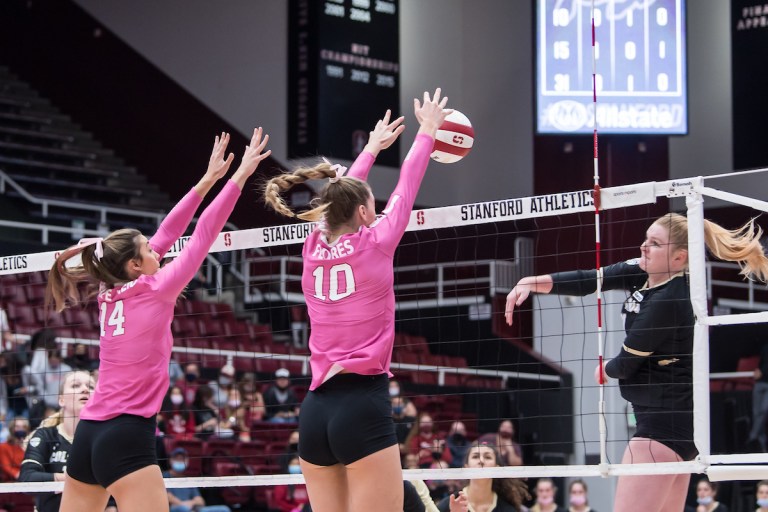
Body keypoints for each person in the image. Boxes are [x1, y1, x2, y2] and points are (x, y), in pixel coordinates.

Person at [46, 129, 271, 511]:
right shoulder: (158, 287)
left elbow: (169, 231)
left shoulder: (109, 289)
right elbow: (203, 233)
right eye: (148, 249)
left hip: (89, 435)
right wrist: (239, 177)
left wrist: (207, 180)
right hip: (126, 433)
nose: (157, 247)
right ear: (135, 265)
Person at [262, 89, 450, 512]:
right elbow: (407, 184)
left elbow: (338, 201)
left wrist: (369, 149)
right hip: (362, 405)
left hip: (315, 411)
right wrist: (428, 132)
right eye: (371, 203)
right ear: (365, 213)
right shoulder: (378, 241)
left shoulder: (311, 247)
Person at [505, 213, 768, 512]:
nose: (644, 247)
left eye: (655, 244)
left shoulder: (671, 299)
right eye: (646, 239)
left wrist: (603, 369)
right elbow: (590, 280)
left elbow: (625, 364)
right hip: (678, 430)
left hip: (659, 431)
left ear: (679, 258)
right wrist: (531, 282)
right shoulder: (642, 271)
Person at [18, 371, 110, 512]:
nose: (85, 389)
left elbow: (116, 485)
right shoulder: (45, 435)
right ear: (61, 400)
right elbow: (27, 479)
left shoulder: (104, 439)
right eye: (75, 386)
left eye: (91, 387)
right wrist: (74, 479)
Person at [435, 441, 529, 512]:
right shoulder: (448, 505)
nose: (481, 461)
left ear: (497, 468)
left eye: (487, 457)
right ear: (466, 467)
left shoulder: (507, 509)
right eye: (475, 456)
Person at [164, 447, 231, 512]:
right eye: (177, 459)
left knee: (224, 509)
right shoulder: (165, 476)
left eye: (182, 459)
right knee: (183, 509)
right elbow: (168, 496)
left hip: (193, 509)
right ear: (170, 460)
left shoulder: (188, 480)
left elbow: (200, 501)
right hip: (175, 508)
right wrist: (183, 505)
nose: (180, 461)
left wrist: (190, 503)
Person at [749, 342, 768, 452]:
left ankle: (752, 437)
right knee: (757, 414)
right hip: (760, 383)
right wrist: (758, 370)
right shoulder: (765, 347)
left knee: (764, 410)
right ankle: (761, 446)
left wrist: (762, 372)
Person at [0, 416, 29, 481]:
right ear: (12, 428)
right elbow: (6, 468)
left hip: (27, 482)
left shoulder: (29, 446)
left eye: (23, 427)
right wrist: (21, 476)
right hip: (10, 484)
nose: (21, 429)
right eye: (18, 427)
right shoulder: (3, 447)